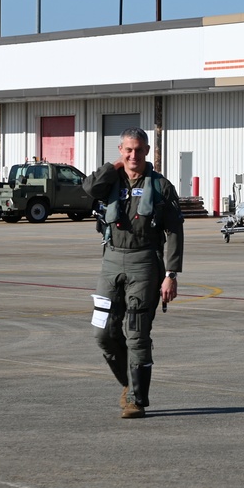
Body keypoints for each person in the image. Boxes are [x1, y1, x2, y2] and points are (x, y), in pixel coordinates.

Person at [84, 127, 184, 419]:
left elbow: (175, 231)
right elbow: (88, 189)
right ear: (120, 151)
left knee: (137, 335)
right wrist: (112, 167)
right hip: (111, 262)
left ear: (148, 151)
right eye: (128, 150)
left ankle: (136, 400)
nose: (133, 155)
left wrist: (171, 274)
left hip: (144, 264)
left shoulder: (162, 187)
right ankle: (129, 383)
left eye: (139, 150)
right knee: (102, 332)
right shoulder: (110, 181)